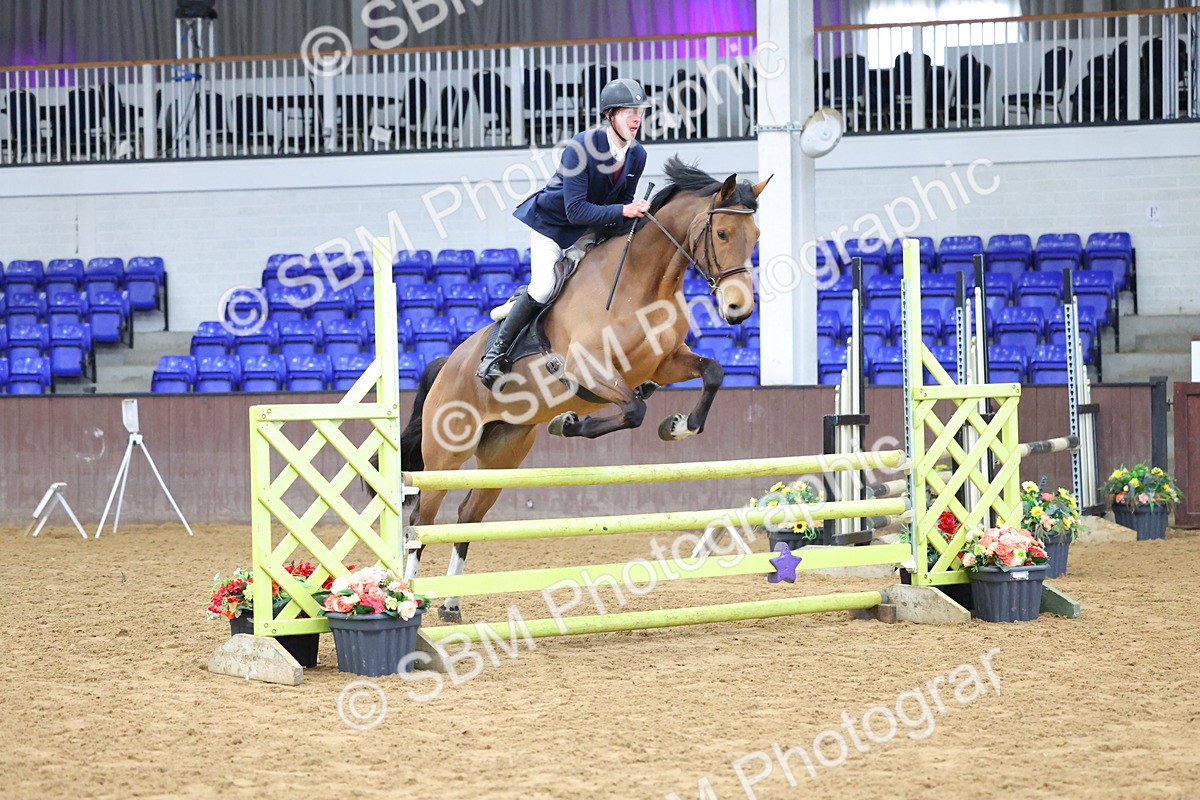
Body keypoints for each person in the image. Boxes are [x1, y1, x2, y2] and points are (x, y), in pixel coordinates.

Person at [475, 77, 654, 387]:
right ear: (609, 116)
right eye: (628, 111)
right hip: (554, 227)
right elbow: (576, 210)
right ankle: (495, 354)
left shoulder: (637, 155)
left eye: (639, 111)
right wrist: (624, 211)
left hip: (589, 232)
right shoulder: (580, 147)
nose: (636, 118)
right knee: (544, 287)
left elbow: (622, 203)